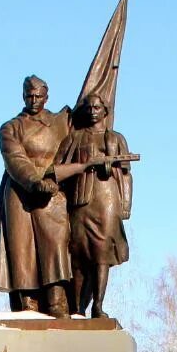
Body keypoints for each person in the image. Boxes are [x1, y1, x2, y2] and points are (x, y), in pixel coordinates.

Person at [0, 75, 75, 316]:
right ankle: (29, 306)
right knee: (22, 250)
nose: (33, 100)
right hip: (21, 192)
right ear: (23, 96)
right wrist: (34, 182)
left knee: (56, 245)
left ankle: (57, 303)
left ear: (47, 96)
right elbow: (15, 158)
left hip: (54, 190)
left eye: (38, 96)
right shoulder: (11, 127)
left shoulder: (61, 122)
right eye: (29, 95)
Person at [57, 93, 132, 318]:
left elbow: (126, 174)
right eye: (89, 108)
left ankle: (97, 306)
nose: (93, 111)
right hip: (81, 200)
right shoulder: (74, 137)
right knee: (79, 254)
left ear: (105, 111)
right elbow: (58, 168)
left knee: (102, 253)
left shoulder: (116, 138)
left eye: (97, 108)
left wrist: (126, 204)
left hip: (107, 199)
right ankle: (77, 307)